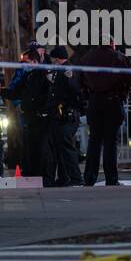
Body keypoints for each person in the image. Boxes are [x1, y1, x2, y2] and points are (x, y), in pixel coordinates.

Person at [79, 41, 131, 187]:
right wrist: (124, 90)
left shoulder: (87, 58)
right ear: (112, 44)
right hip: (113, 101)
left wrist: (88, 93)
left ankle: (89, 178)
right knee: (111, 142)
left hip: (94, 102)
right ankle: (111, 178)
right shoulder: (119, 58)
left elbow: (79, 80)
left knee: (94, 141)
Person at [1, 47, 51, 183]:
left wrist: (43, 111)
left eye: (27, 62)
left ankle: (44, 177)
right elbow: (16, 92)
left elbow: (49, 95)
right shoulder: (29, 76)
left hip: (41, 118)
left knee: (41, 149)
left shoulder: (44, 75)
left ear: (34, 61)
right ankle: (33, 175)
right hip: (29, 117)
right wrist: (2, 91)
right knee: (31, 147)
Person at [44, 45, 84, 187]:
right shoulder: (61, 70)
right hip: (61, 115)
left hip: (68, 115)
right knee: (60, 147)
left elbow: (72, 90)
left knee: (67, 148)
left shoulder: (67, 70)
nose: (53, 62)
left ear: (57, 58)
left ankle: (76, 178)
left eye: (54, 59)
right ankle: (64, 178)